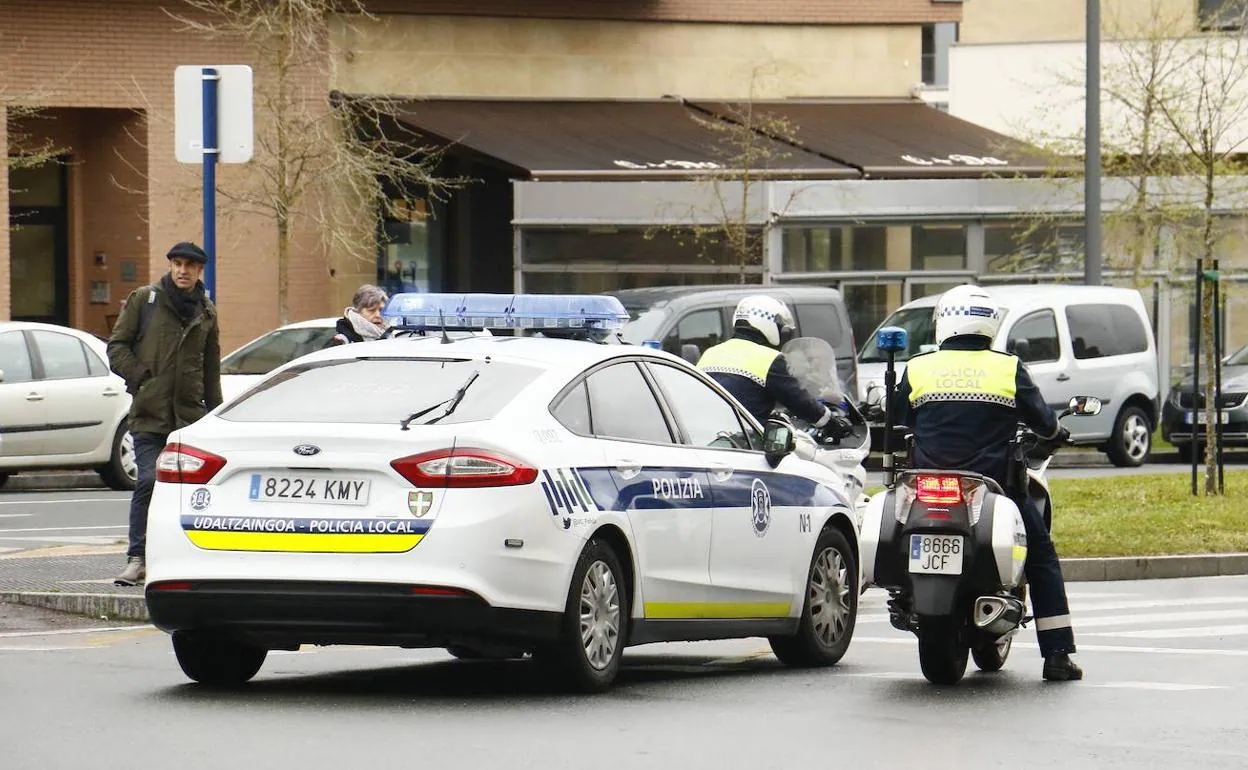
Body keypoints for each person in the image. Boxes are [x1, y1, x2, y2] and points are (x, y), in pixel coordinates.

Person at [889, 283, 1082, 681]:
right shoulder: (1007, 367)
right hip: (994, 489)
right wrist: (1055, 431)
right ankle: (1058, 655)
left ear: (945, 322)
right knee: (1041, 556)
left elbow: (897, 422)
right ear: (989, 326)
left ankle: (905, 595)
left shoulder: (920, 367)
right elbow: (1045, 423)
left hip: (925, 489)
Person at [107, 242, 222, 586]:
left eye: (189, 265)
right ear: (170, 266)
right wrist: (141, 377)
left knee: (195, 492)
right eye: (177, 264)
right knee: (149, 481)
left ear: (200, 270)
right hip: (149, 412)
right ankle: (137, 558)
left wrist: (214, 414)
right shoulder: (146, 300)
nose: (182, 270)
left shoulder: (206, 311)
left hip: (188, 418)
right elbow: (117, 347)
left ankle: (186, 556)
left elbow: (210, 366)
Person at [697, 295, 851, 438]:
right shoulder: (769, 359)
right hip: (746, 441)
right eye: (781, 328)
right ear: (766, 323)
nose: (783, 334)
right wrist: (831, 422)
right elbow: (799, 401)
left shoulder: (710, 353)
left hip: (707, 437)